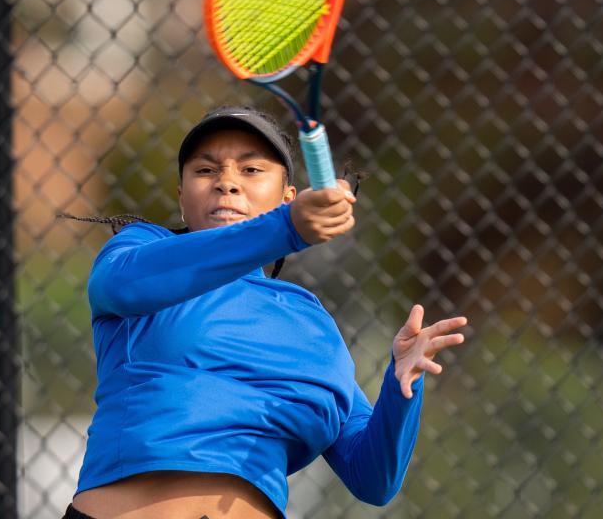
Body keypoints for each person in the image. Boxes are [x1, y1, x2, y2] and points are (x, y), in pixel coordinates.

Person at [62, 106, 468, 519]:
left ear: (286, 197)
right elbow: (122, 285)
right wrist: (285, 229)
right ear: (182, 199)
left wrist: (403, 385)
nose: (227, 183)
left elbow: (373, 478)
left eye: (252, 170)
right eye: (205, 171)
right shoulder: (139, 250)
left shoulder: (310, 324)